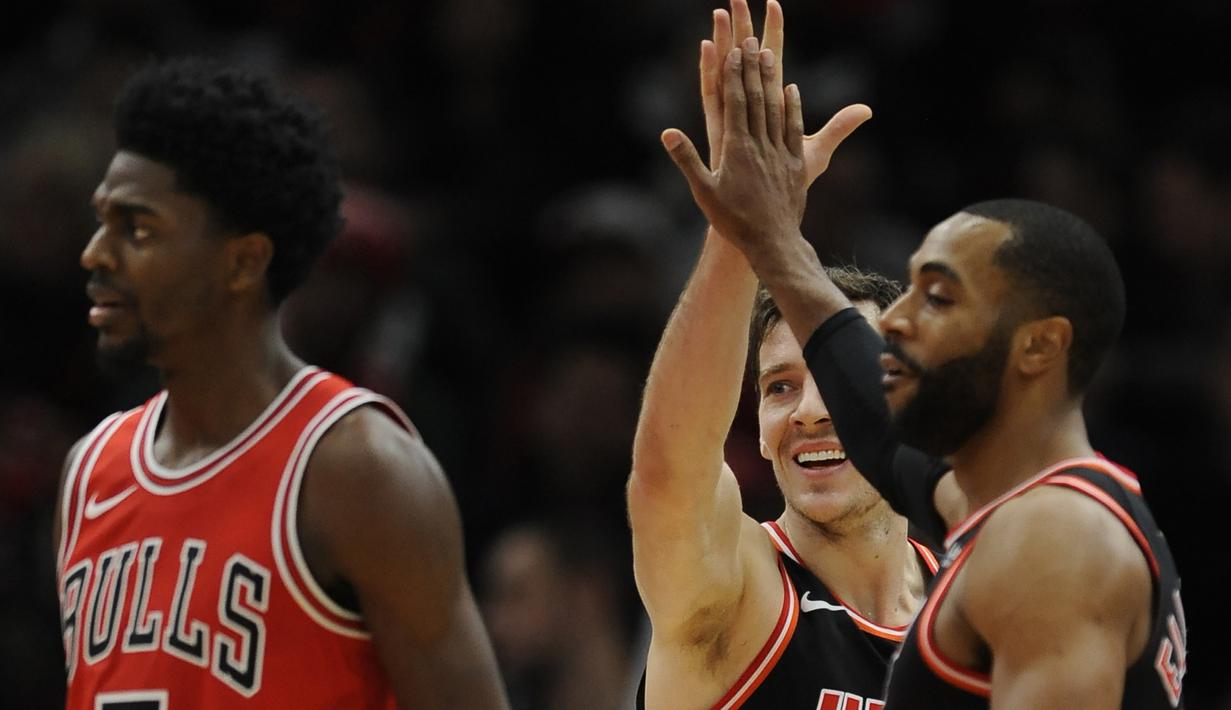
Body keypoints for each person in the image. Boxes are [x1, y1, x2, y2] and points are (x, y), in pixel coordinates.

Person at [658, 21, 1187, 708]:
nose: (903, 321)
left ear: (1035, 346)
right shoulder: (1013, 508)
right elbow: (877, 428)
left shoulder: (1058, 539)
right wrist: (761, 234)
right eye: (780, 387)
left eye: (938, 297)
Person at [53, 57, 509, 709]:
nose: (96, 253)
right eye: (102, 221)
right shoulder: (90, 470)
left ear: (244, 261)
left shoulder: (356, 469)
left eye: (137, 228)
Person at [628, 4, 937, 708]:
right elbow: (667, 474)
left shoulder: (970, 615)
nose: (808, 411)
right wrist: (745, 235)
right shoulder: (735, 587)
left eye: (836, 377)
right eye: (777, 388)